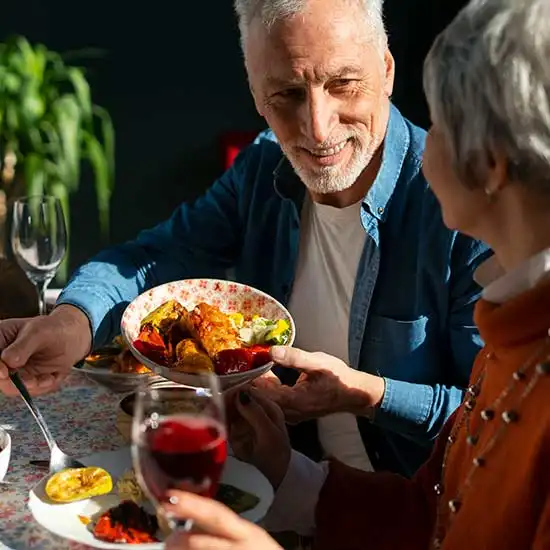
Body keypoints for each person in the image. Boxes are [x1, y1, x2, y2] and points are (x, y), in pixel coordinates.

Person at [0, 0, 489, 478]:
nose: (317, 128)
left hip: (411, 516)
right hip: (276, 492)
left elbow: (493, 421)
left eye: (342, 84)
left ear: (385, 70)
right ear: (256, 94)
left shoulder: (465, 206)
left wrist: (366, 394)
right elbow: (155, 258)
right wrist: (71, 323)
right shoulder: (261, 169)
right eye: (287, 95)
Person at [160, 0, 550, 548]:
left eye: (439, 120)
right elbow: (430, 513)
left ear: (490, 163)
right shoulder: (514, 327)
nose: (418, 138)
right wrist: (285, 471)